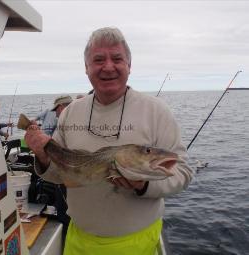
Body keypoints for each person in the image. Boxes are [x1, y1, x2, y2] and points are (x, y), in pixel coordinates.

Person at [25, 27, 193, 255]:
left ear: (129, 65)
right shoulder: (70, 113)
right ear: (87, 68)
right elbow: (61, 174)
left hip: (136, 242)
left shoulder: (156, 111)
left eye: (117, 58)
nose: (108, 66)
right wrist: (43, 156)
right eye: (98, 60)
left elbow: (182, 171)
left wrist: (144, 185)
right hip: (79, 238)